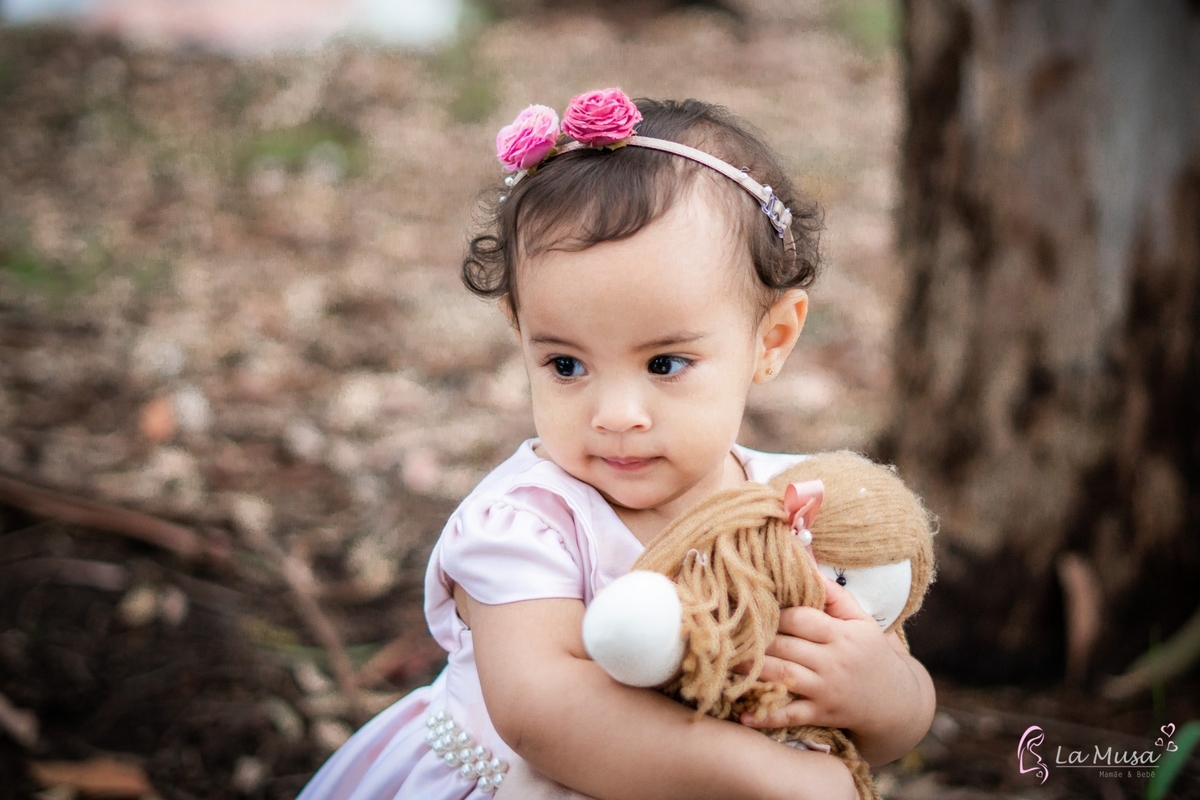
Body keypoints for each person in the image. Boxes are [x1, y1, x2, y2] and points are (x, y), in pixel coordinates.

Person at [297, 88, 936, 800]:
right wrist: (761, 773)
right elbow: (543, 714)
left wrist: (885, 694)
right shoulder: (525, 524)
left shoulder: (790, 507)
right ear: (521, 331)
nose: (617, 414)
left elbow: (888, 723)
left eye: (665, 364)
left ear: (771, 340)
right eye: (566, 365)